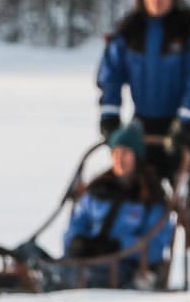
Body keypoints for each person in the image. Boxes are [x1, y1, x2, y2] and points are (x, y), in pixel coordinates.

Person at [96, 0, 190, 289]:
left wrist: (186, 121)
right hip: (143, 128)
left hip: (182, 128)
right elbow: (110, 76)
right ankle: (138, 265)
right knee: (138, 197)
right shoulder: (129, 32)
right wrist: (110, 116)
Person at [61, 121, 174, 289]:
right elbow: (78, 222)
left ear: (136, 156)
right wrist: (77, 241)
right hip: (88, 260)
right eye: (116, 153)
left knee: (79, 277)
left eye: (126, 153)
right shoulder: (99, 189)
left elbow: (155, 247)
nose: (120, 159)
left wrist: (118, 245)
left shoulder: (150, 196)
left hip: (125, 268)